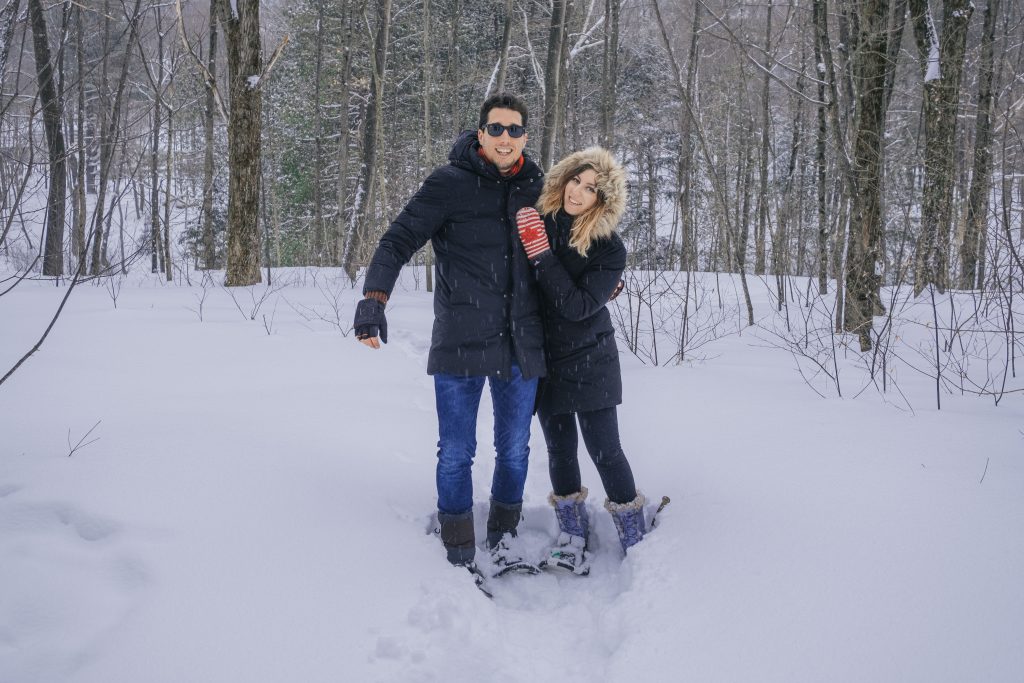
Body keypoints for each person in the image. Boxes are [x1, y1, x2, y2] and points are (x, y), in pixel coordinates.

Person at [353, 93, 546, 580]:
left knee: (516, 447)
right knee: (457, 451)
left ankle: (504, 538)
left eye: (515, 129)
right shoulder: (448, 183)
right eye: (496, 128)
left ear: (526, 136)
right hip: (461, 336)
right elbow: (398, 238)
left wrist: (604, 279)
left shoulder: (539, 186)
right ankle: (458, 548)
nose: (506, 138)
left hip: (522, 341)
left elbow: (574, 240)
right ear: (480, 133)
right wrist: (374, 297)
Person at [514, 147, 645, 575]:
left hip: (591, 358)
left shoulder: (609, 248)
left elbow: (576, 307)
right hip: (546, 357)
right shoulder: (542, 222)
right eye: (576, 180)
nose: (579, 192)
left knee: (605, 450)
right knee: (560, 451)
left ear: (602, 200)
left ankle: (633, 535)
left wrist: (542, 257)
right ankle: (572, 534)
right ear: (563, 179)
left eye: (591, 188)